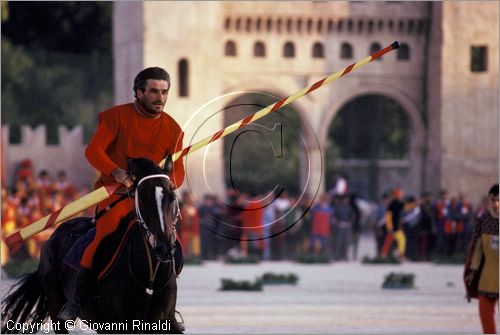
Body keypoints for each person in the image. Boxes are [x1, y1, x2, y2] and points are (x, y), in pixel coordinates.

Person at [58, 67, 185, 331]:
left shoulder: (173, 129)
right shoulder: (117, 117)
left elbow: (179, 168)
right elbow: (93, 150)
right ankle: (77, 300)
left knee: (171, 241)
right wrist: (115, 171)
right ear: (139, 92)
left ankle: (168, 310)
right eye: (153, 91)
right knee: (103, 235)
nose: (160, 97)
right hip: (117, 195)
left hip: (151, 200)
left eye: (164, 92)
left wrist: (167, 183)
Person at [464, 183, 499, 334]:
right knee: (486, 317)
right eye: (494, 200)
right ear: (489, 200)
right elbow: (477, 250)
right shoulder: (484, 220)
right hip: (488, 276)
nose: (497, 204)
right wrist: (472, 271)